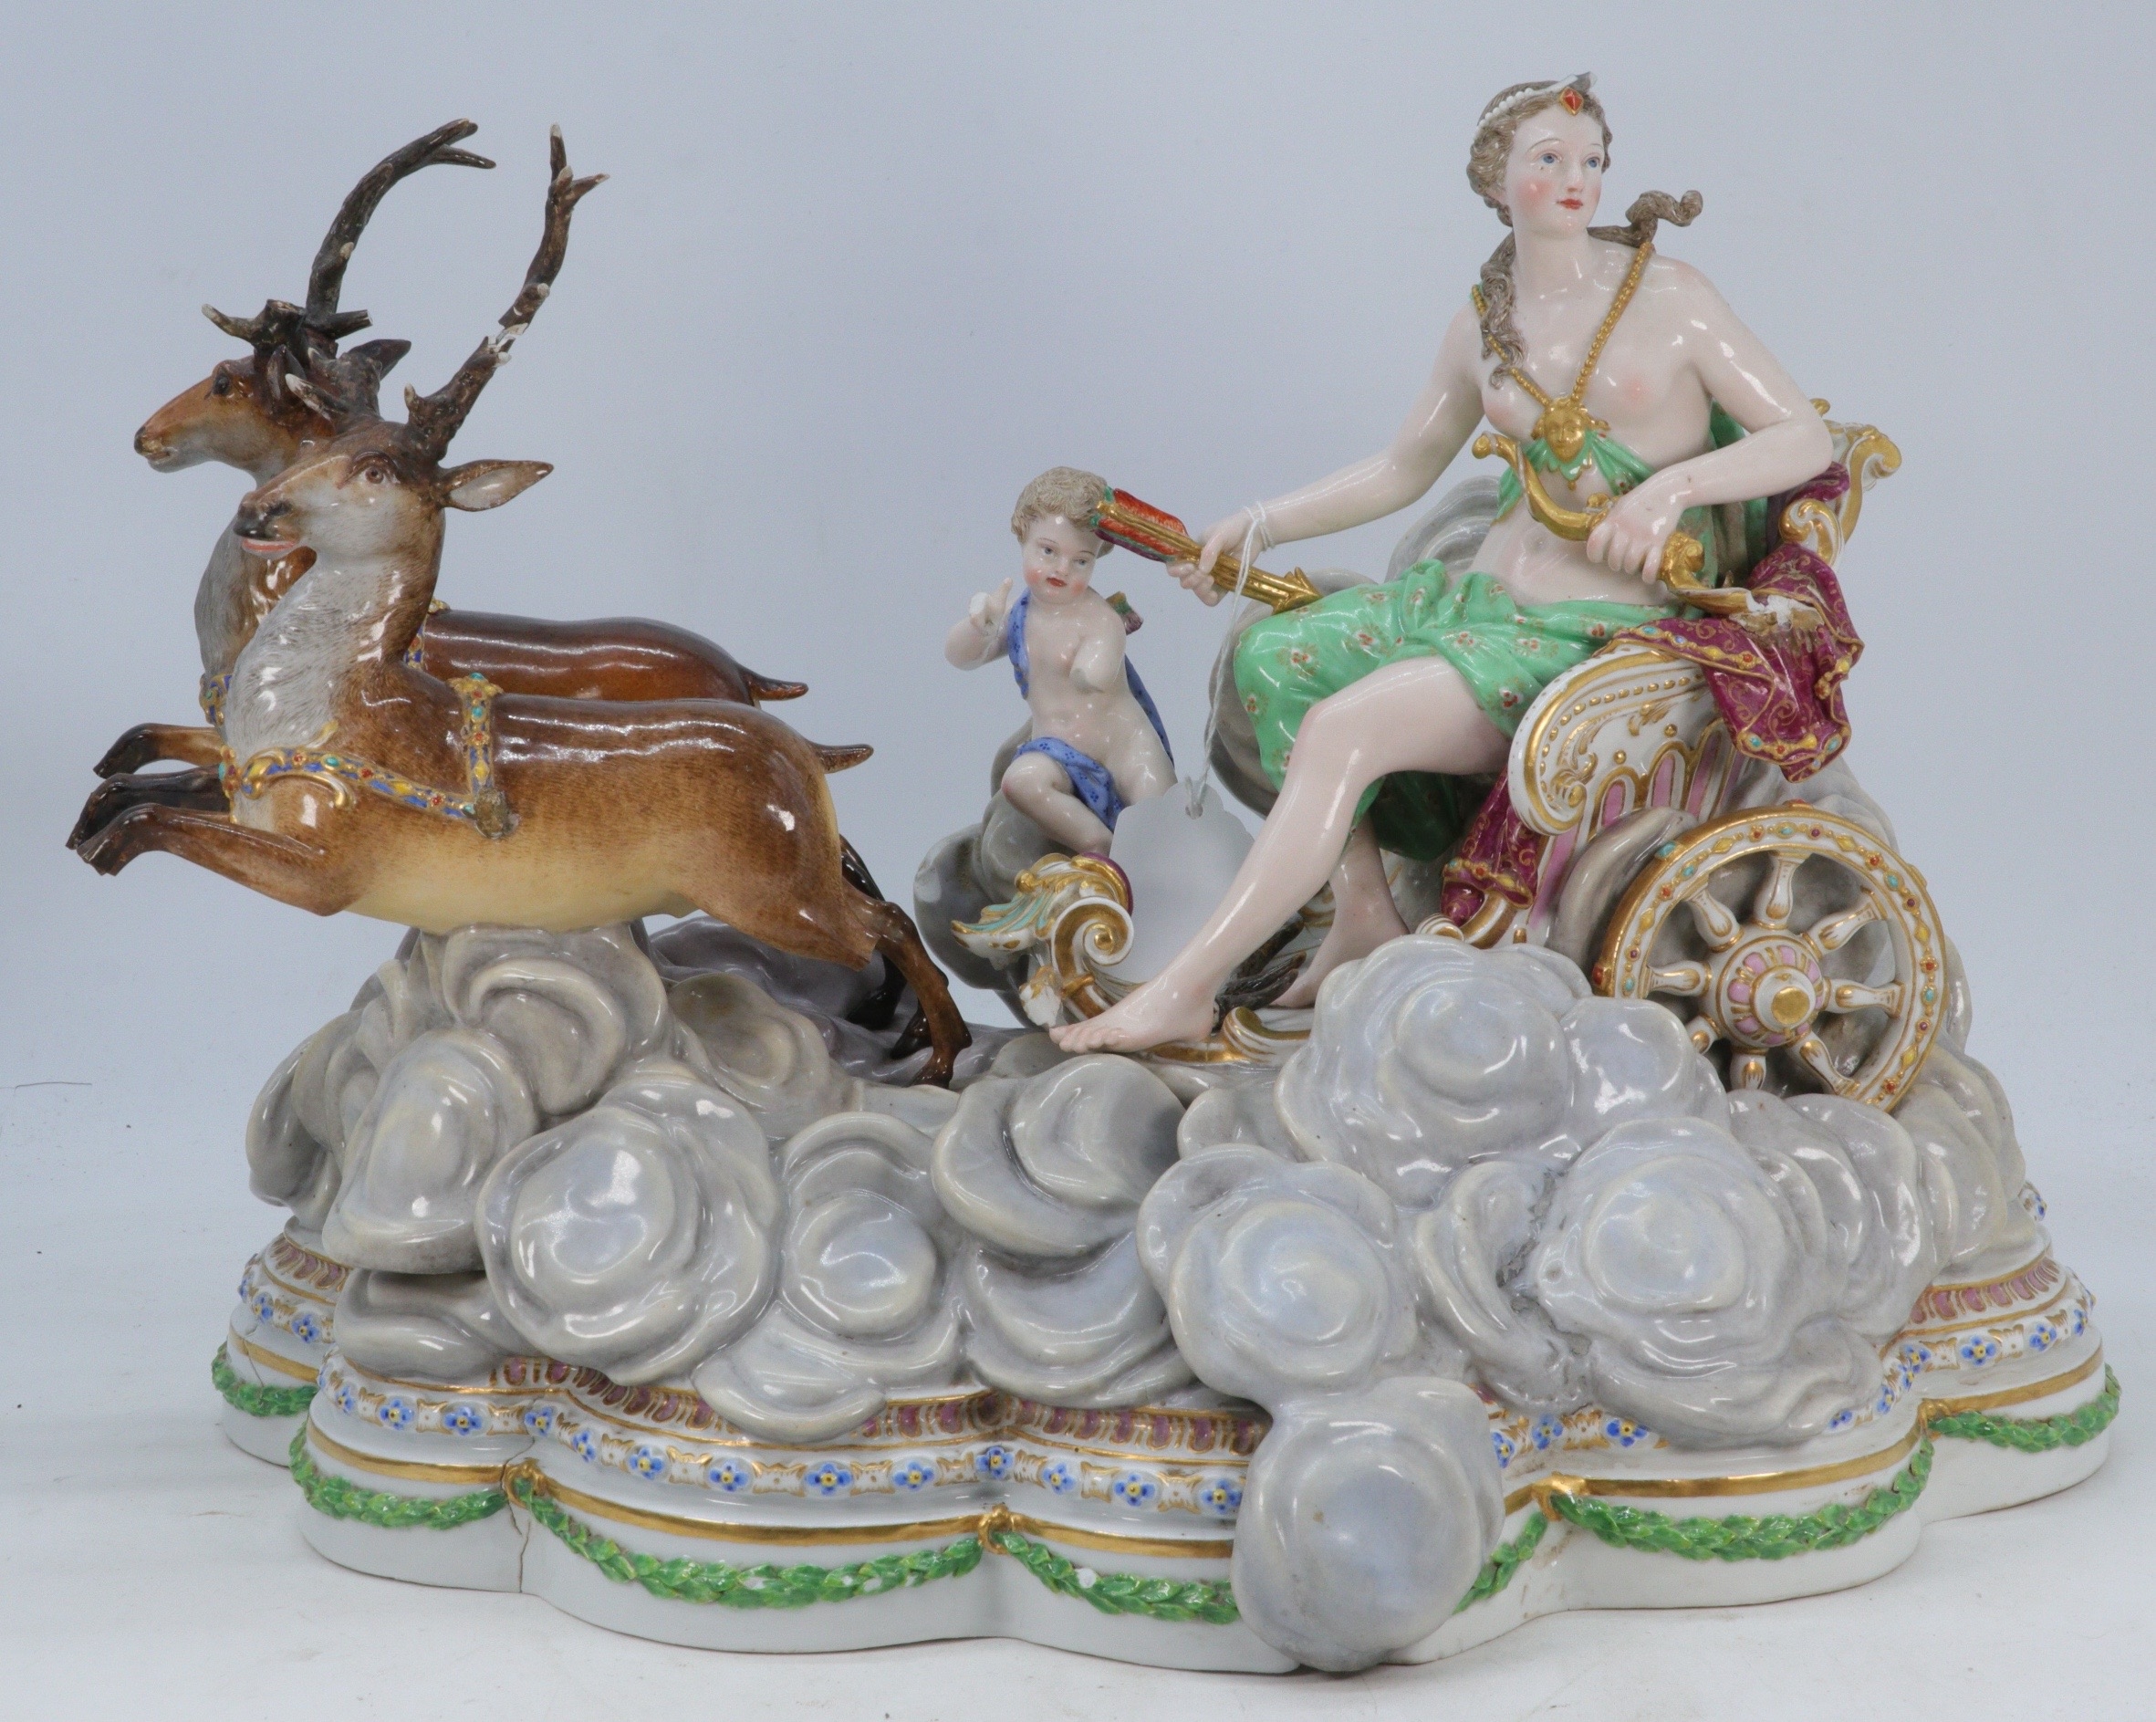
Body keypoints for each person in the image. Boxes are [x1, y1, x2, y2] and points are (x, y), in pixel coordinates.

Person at [1052, 73, 1833, 1054]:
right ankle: (1361, 914)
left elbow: (1802, 437)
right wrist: (1257, 526)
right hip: (1473, 601)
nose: (1576, 179)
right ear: (1493, 179)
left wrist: (1667, 491)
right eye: (1547, 159)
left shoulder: (1670, 298)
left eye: (1591, 160)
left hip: (1593, 634)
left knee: (1339, 730)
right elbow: (1402, 466)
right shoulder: (1486, 321)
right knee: (1270, 658)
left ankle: (1184, 988)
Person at [946, 466, 1175, 854]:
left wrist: (1091, 664)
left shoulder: (1100, 618)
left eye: (1080, 561)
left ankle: (1152, 865)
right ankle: (1097, 845)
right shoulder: (1019, 615)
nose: (1061, 569)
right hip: (1056, 749)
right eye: (1048, 551)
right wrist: (980, 628)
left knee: (1161, 814)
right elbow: (960, 658)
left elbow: (1095, 672)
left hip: (1123, 744)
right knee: (1020, 782)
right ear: (1023, 537)